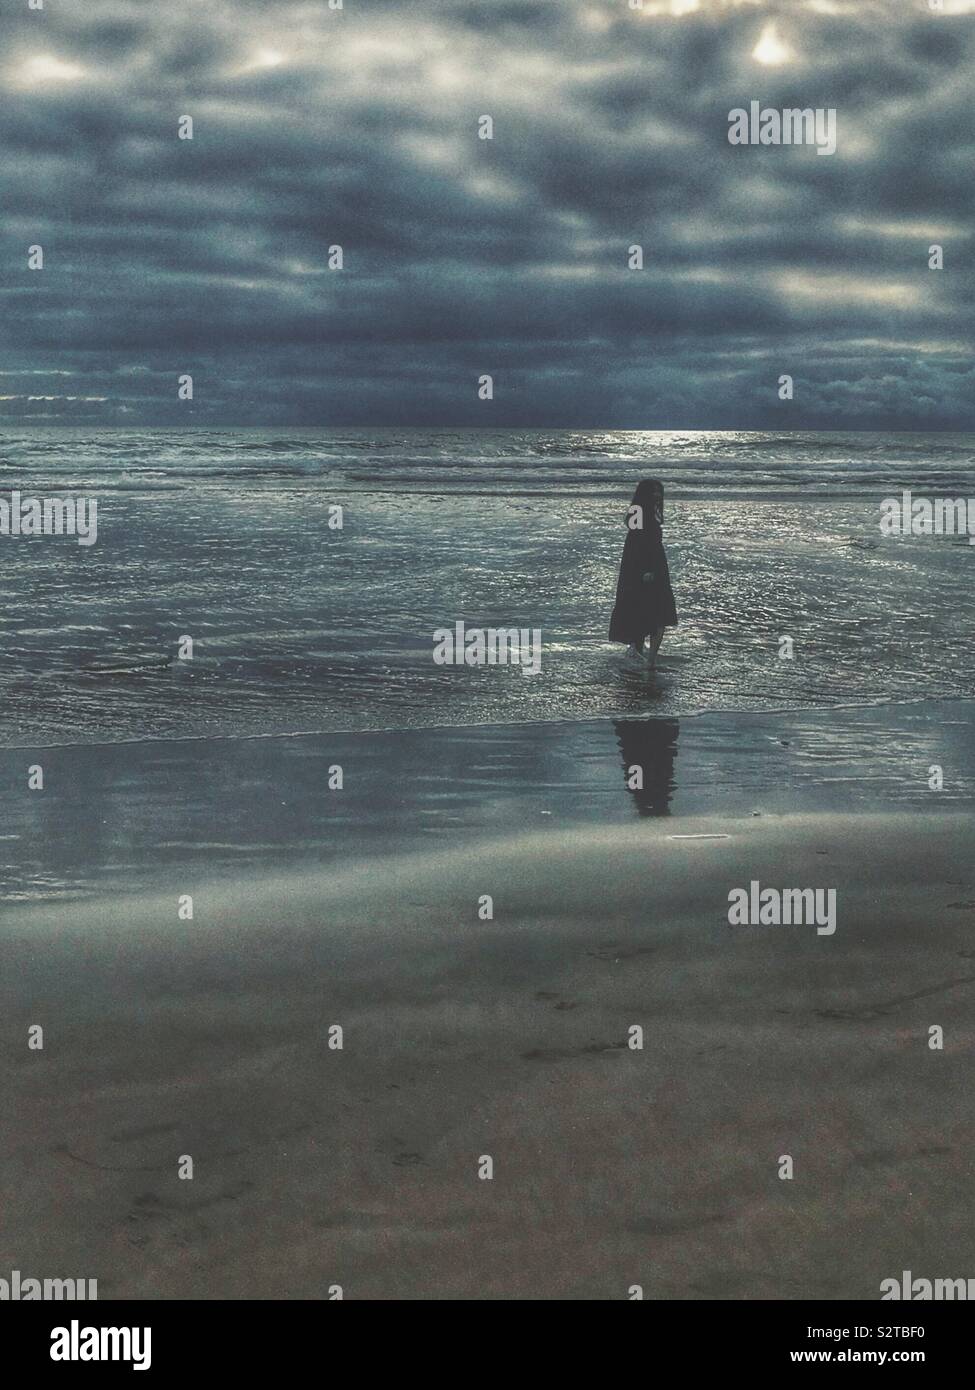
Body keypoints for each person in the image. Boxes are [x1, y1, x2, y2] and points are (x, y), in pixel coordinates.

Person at [608, 478, 677, 666]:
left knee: (648, 609)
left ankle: (643, 654)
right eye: (653, 491)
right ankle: (644, 656)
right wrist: (645, 569)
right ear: (644, 493)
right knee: (648, 609)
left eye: (658, 491)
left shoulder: (647, 511)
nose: (657, 495)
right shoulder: (639, 511)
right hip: (645, 565)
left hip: (652, 563)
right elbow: (637, 541)